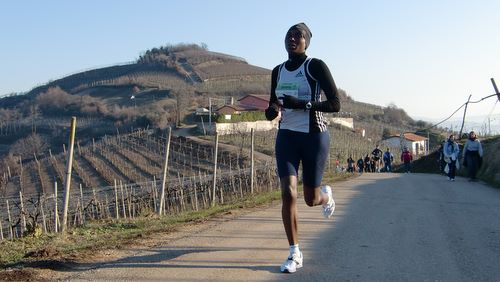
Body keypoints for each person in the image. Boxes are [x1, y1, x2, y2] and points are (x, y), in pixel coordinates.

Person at [264, 22, 340, 274]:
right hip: (286, 136)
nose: (292, 39)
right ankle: (294, 252)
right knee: (288, 192)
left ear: (307, 41)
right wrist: (272, 110)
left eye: (298, 36)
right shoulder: (278, 71)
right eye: (289, 35)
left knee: (310, 199)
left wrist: (305, 105)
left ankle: (325, 196)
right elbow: (275, 102)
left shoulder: (315, 66)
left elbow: (335, 104)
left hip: (314, 136)